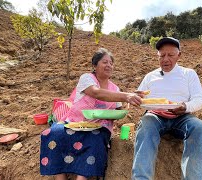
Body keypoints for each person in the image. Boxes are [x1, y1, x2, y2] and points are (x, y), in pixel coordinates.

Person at [40, 48, 142, 180]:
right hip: (75, 123)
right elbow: (96, 92)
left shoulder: (115, 89)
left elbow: (117, 111)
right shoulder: (87, 78)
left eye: (111, 63)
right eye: (105, 62)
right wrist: (127, 96)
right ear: (95, 65)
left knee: (94, 140)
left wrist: (123, 105)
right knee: (53, 133)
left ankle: (82, 178)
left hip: (99, 128)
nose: (109, 65)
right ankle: (61, 177)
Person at [132, 37, 202, 180]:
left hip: (182, 117)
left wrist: (185, 106)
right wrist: (137, 97)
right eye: (162, 56)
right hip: (155, 116)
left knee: (200, 128)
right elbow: (140, 98)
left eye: (170, 55)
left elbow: (199, 99)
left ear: (179, 55)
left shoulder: (188, 74)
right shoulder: (150, 77)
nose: (165, 59)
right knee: (145, 126)